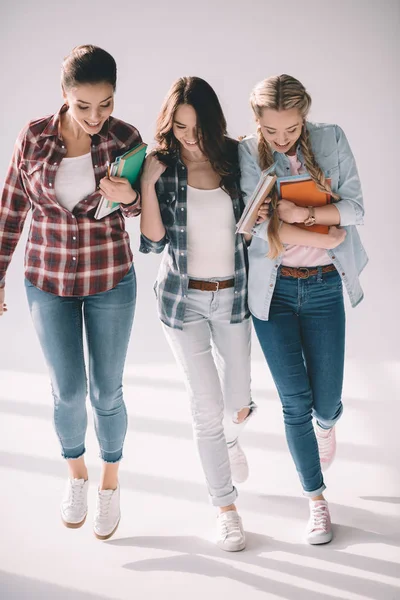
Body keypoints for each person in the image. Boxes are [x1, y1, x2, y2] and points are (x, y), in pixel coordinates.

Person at [0, 45, 142, 540]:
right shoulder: (35, 137)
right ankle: (76, 475)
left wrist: (130, 198)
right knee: (69, 391)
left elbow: (141, 213)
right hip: (48, 280)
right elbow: (12, 206)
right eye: (84, 105)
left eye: (106, 103)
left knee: (107, 390)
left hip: (110, 278)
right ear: (63, 94)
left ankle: (109, 484)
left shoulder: (127, 139)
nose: (96, 116)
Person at [239, 74, 368, 544]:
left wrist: (304, 216)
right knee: (294, 403)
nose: (280, 139)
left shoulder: (331, 139)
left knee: (326, 400)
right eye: (271, 131)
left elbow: (355, 209)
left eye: (290, 130)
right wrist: (320, 230)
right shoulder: (246, 152)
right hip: (271, 293)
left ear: (304, 116)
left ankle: (328, 424)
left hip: (323, 286)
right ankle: (316, 501)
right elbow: (254, 226)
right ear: (258, 123)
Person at [140, 76, 257, 552]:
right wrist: (147, 184)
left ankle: (232, 439)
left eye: (197, 126)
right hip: (182, 301)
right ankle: (224, 507)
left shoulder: (236, 158)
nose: (189, 136)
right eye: (180, 126)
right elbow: (151, 242)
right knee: (206, 408)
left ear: (212, 122)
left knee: (237, 405)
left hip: (234, 299)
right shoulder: (163, 168)